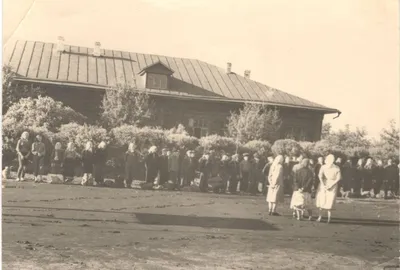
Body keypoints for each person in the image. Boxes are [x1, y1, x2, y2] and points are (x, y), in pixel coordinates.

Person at [316, 154, 341, 223]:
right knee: (325, 201)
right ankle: (324, 217)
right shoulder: (333, 167)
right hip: (328, 184)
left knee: (326, 201)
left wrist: (326, 184)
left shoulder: (335, 167)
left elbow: (338, 178)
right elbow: (320, 176)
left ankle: (324, 217)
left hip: (329, 184)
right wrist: (324, 184)